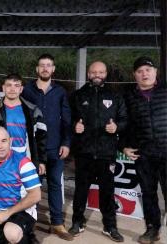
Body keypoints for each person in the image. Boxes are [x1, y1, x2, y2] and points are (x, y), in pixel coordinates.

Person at [69, 61, 126, 242]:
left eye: (101, 72)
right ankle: (78, 221)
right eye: (94, 72)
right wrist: (74, 126)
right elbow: (68, 119)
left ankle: (110, 226)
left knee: (107, 192)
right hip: (84, 153)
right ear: (88, 74)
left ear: (106, 74)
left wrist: (116, 127)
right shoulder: (78, 95)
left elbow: (124, 119)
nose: (97, 75)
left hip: (106, 153)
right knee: (80, 190)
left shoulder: (115, 96)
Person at [21, 53, 73, 240]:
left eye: (48, 65)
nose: (45, 68)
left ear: (53, 69)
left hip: (55, 147)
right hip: (33, 149)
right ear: (37, 69)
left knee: (55, 185)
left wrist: (66, 143)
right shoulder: (26, 90)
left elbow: (67, 120)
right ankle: (29, 226)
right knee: (32, 188)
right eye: (42, 65)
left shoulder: (60, 91)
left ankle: (57, 223)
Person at [121, 57, 167, 244]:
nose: (144, 73)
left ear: (155, 72)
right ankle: (152, 229)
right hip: (144, 153)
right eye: (140, 71)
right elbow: (124, 124)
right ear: (135, 75)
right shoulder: (128, 96)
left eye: (148, 70)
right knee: (148, 193)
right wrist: (123, 146)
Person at [0, 73, 47, 172]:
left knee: (26, 187)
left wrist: (41, 161)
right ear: (3, 88)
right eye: (9, 85)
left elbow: (41, 137)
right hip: (0, 162)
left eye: (16, 86)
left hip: (25, 160)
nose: (12, 89)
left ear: (21, 89)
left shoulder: (33, 111)